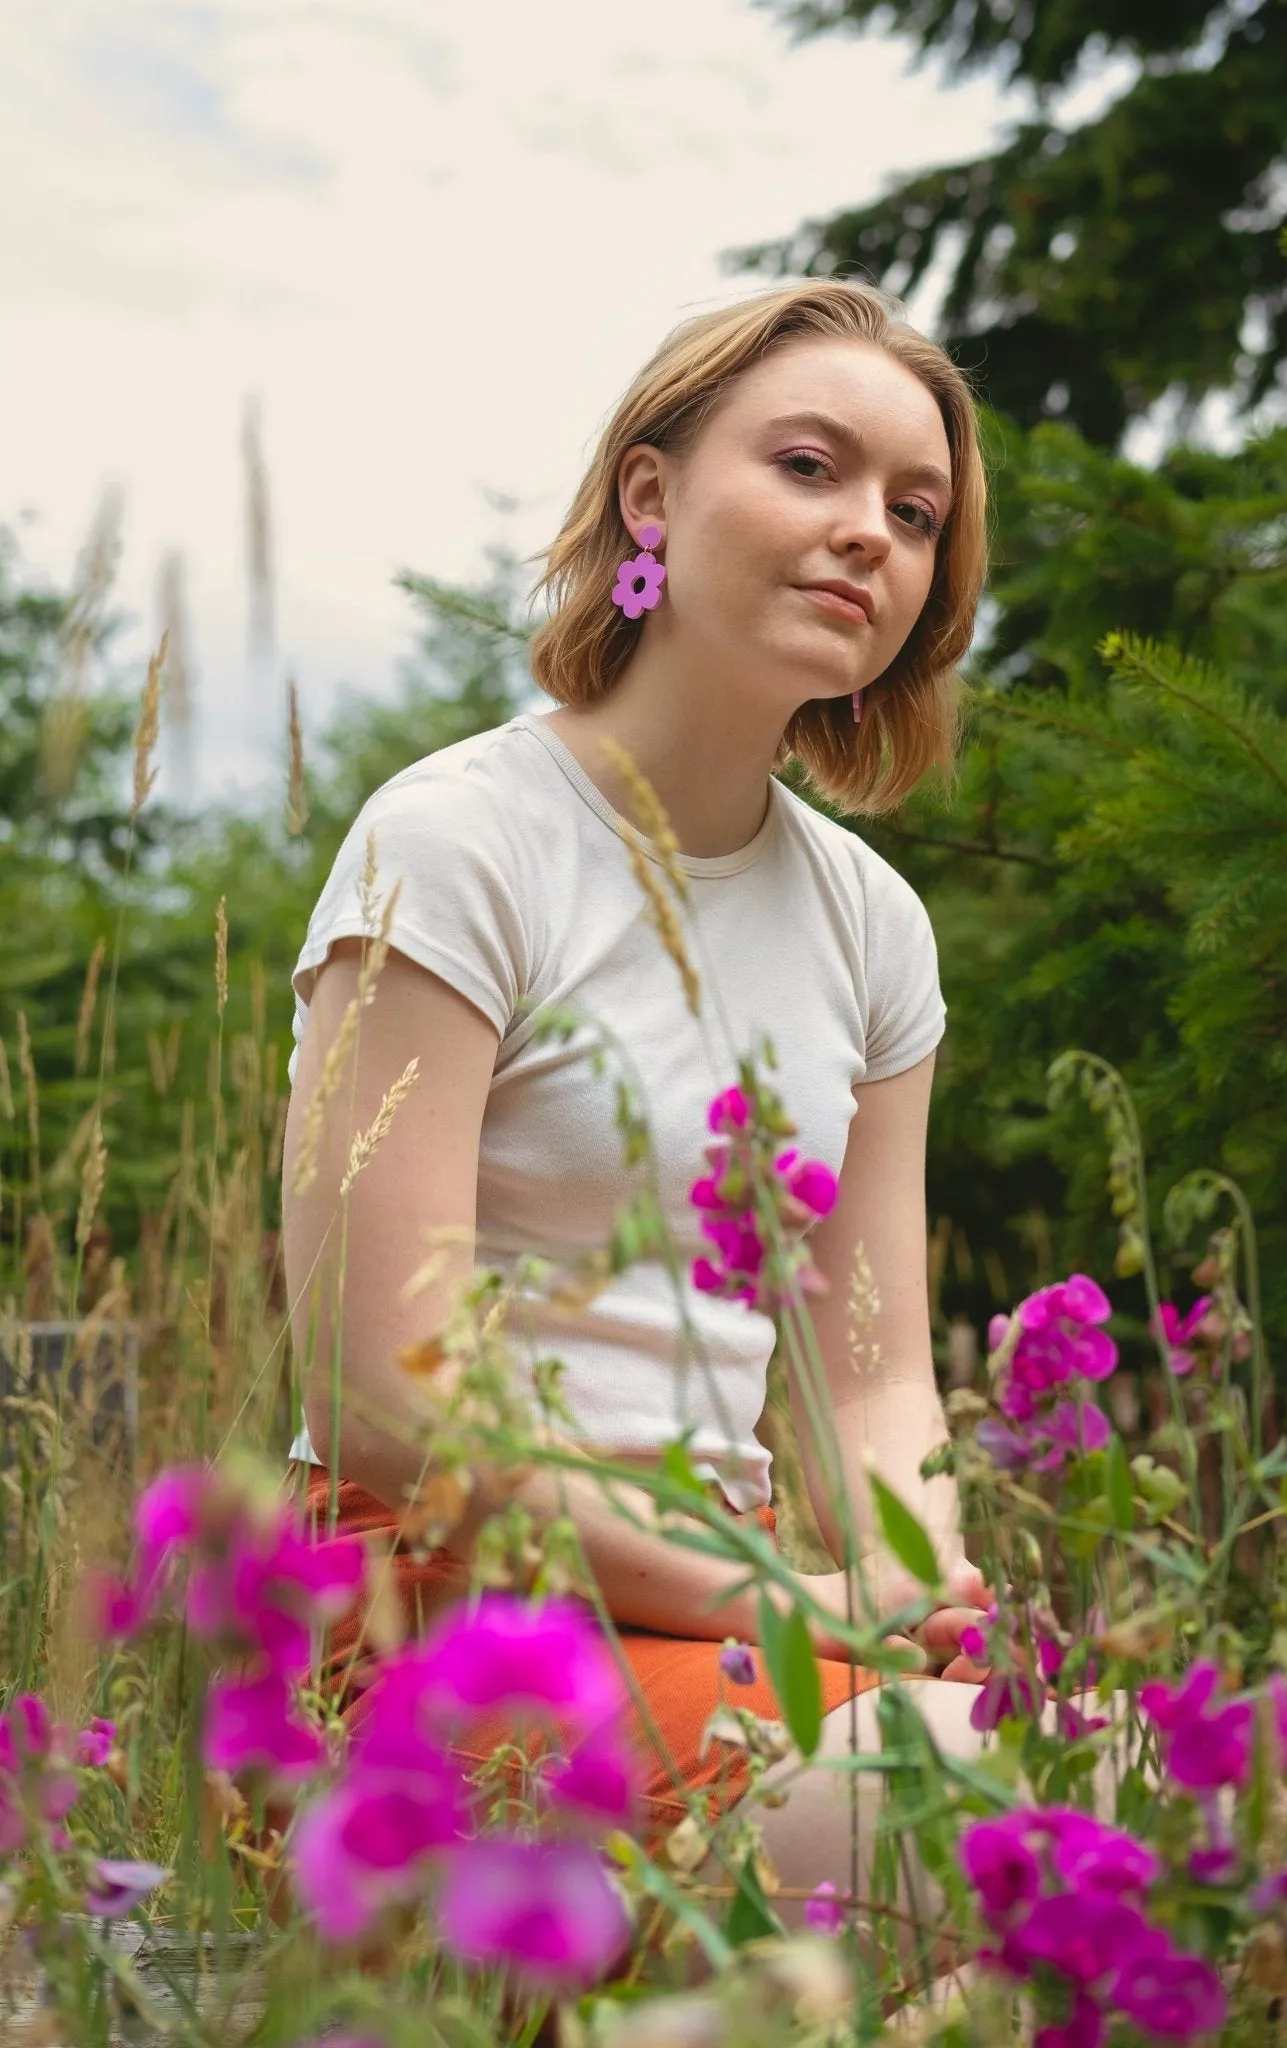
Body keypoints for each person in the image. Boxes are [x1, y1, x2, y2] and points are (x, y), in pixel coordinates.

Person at [279, 278, 1000, 1938]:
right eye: (811, 468)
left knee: (1264, 1819)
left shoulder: (871, 925)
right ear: (651, 496)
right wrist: (800, 1603)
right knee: (1040, 1828)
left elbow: (873, 1366)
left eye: (914, 512)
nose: (866, 537)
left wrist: (908, 1573)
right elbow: (386, 1396)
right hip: (442, 1613)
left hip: (746, 1605)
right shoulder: (459, 840)